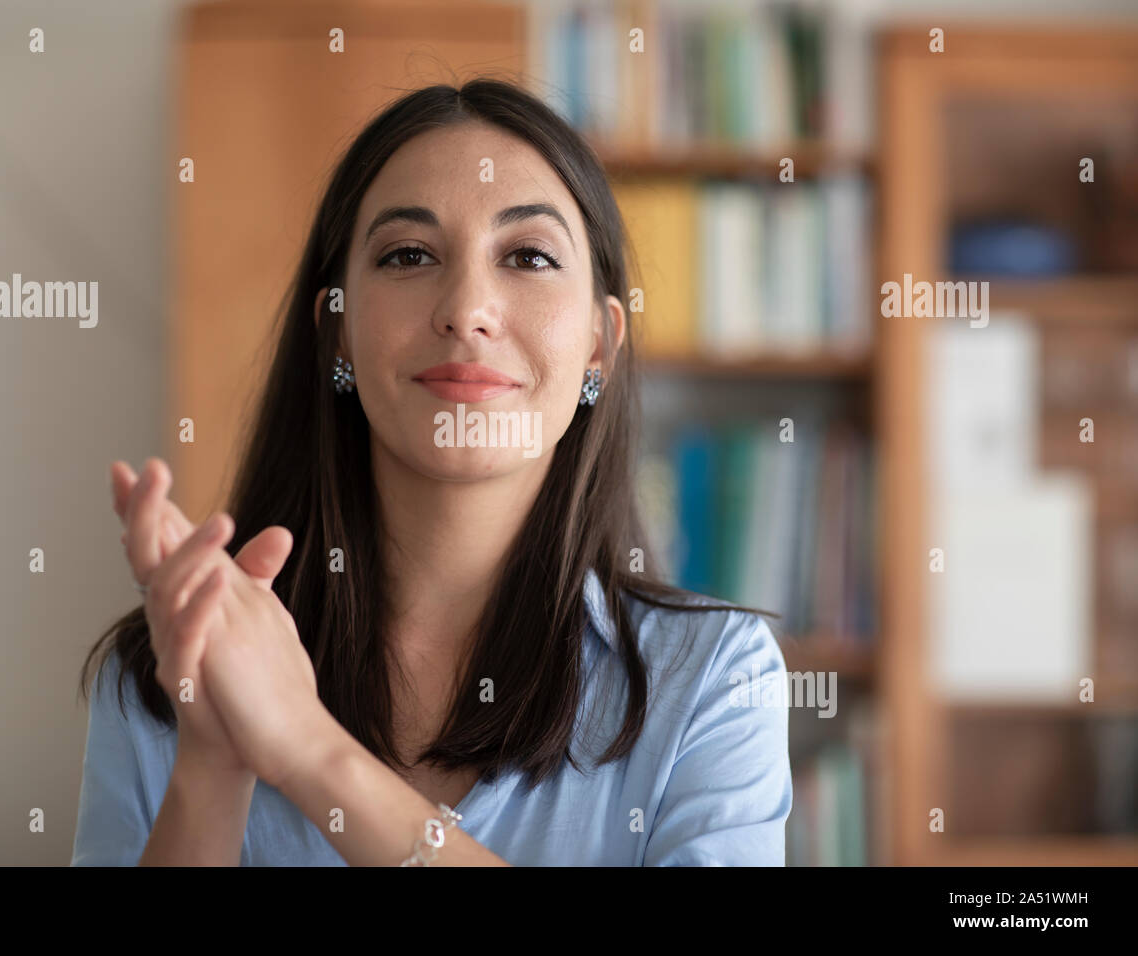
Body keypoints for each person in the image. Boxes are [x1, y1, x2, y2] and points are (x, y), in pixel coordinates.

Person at [72, 78, 792, 866]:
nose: (467, 307)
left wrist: (311, 752)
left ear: (598, 345)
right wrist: (211, 767)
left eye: (528, 256)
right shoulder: (169, 667)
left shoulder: (716, 680)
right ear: (336, 332)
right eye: (408, 255)